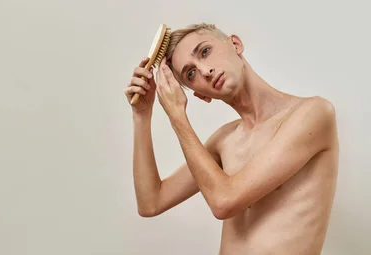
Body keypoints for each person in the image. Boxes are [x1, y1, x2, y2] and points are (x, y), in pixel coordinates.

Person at [124, 23, 339, 254]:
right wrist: (142, 115)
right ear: (200, 95)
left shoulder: (313, 114)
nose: (205, 71)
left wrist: (177, 117)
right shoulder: (225, 140)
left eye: (205, 52)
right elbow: (151, 202)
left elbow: (224, 202)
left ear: (236, 44)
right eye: (191, 73)